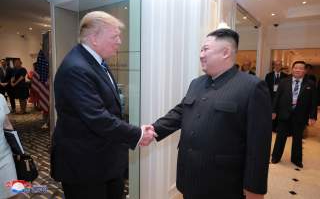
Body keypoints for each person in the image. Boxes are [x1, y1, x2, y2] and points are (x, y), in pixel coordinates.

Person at [150, 28, 272, 199]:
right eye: (201, 49)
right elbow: (181, 112)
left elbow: (259, 145)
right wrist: (153, 129)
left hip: (223, 182)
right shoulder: (196, 83)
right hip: (189, 175)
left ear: (225, 52)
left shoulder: (252, 87)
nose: (201, 54)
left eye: (205, 49)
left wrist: (255, 189)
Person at [51, 11, 156, 199]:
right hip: (85, 167)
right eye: (114, 36)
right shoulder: (76, 68)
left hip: (104, 160)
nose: (119, 41)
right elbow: (98, 118)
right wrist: (137, 133)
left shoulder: (96, 62)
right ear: (94, 38)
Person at [271, 61, 317, 168]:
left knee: (297, 138)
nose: (298, 70)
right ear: (292, 69)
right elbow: (277, 97)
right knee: (280, 137)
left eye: (301, 68)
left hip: (300, 115)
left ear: (304, 71)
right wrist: (273, 111)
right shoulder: (283, 82)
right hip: (284, 113)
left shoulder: (310, 84)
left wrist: (312, 116)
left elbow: (313, 102)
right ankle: (275, 157)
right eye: (296, 68)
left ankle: (296, 159)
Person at [0, 94, 21, 199]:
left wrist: (18, 150)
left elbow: (7, 124)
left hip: (5, 155)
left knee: (14, 193)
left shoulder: (0, 98)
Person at [265, 60, 288, 132]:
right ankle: (271, 127)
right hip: (271, 97)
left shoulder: (285, 76)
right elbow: (266, 87)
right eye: (276, 65)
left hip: (281, 98)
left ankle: (278, 128)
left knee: (279, 113)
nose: (278, 66)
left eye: (279, 65)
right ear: (274, 66)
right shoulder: (269, 75)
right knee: (271, 112)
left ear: (281, 66)